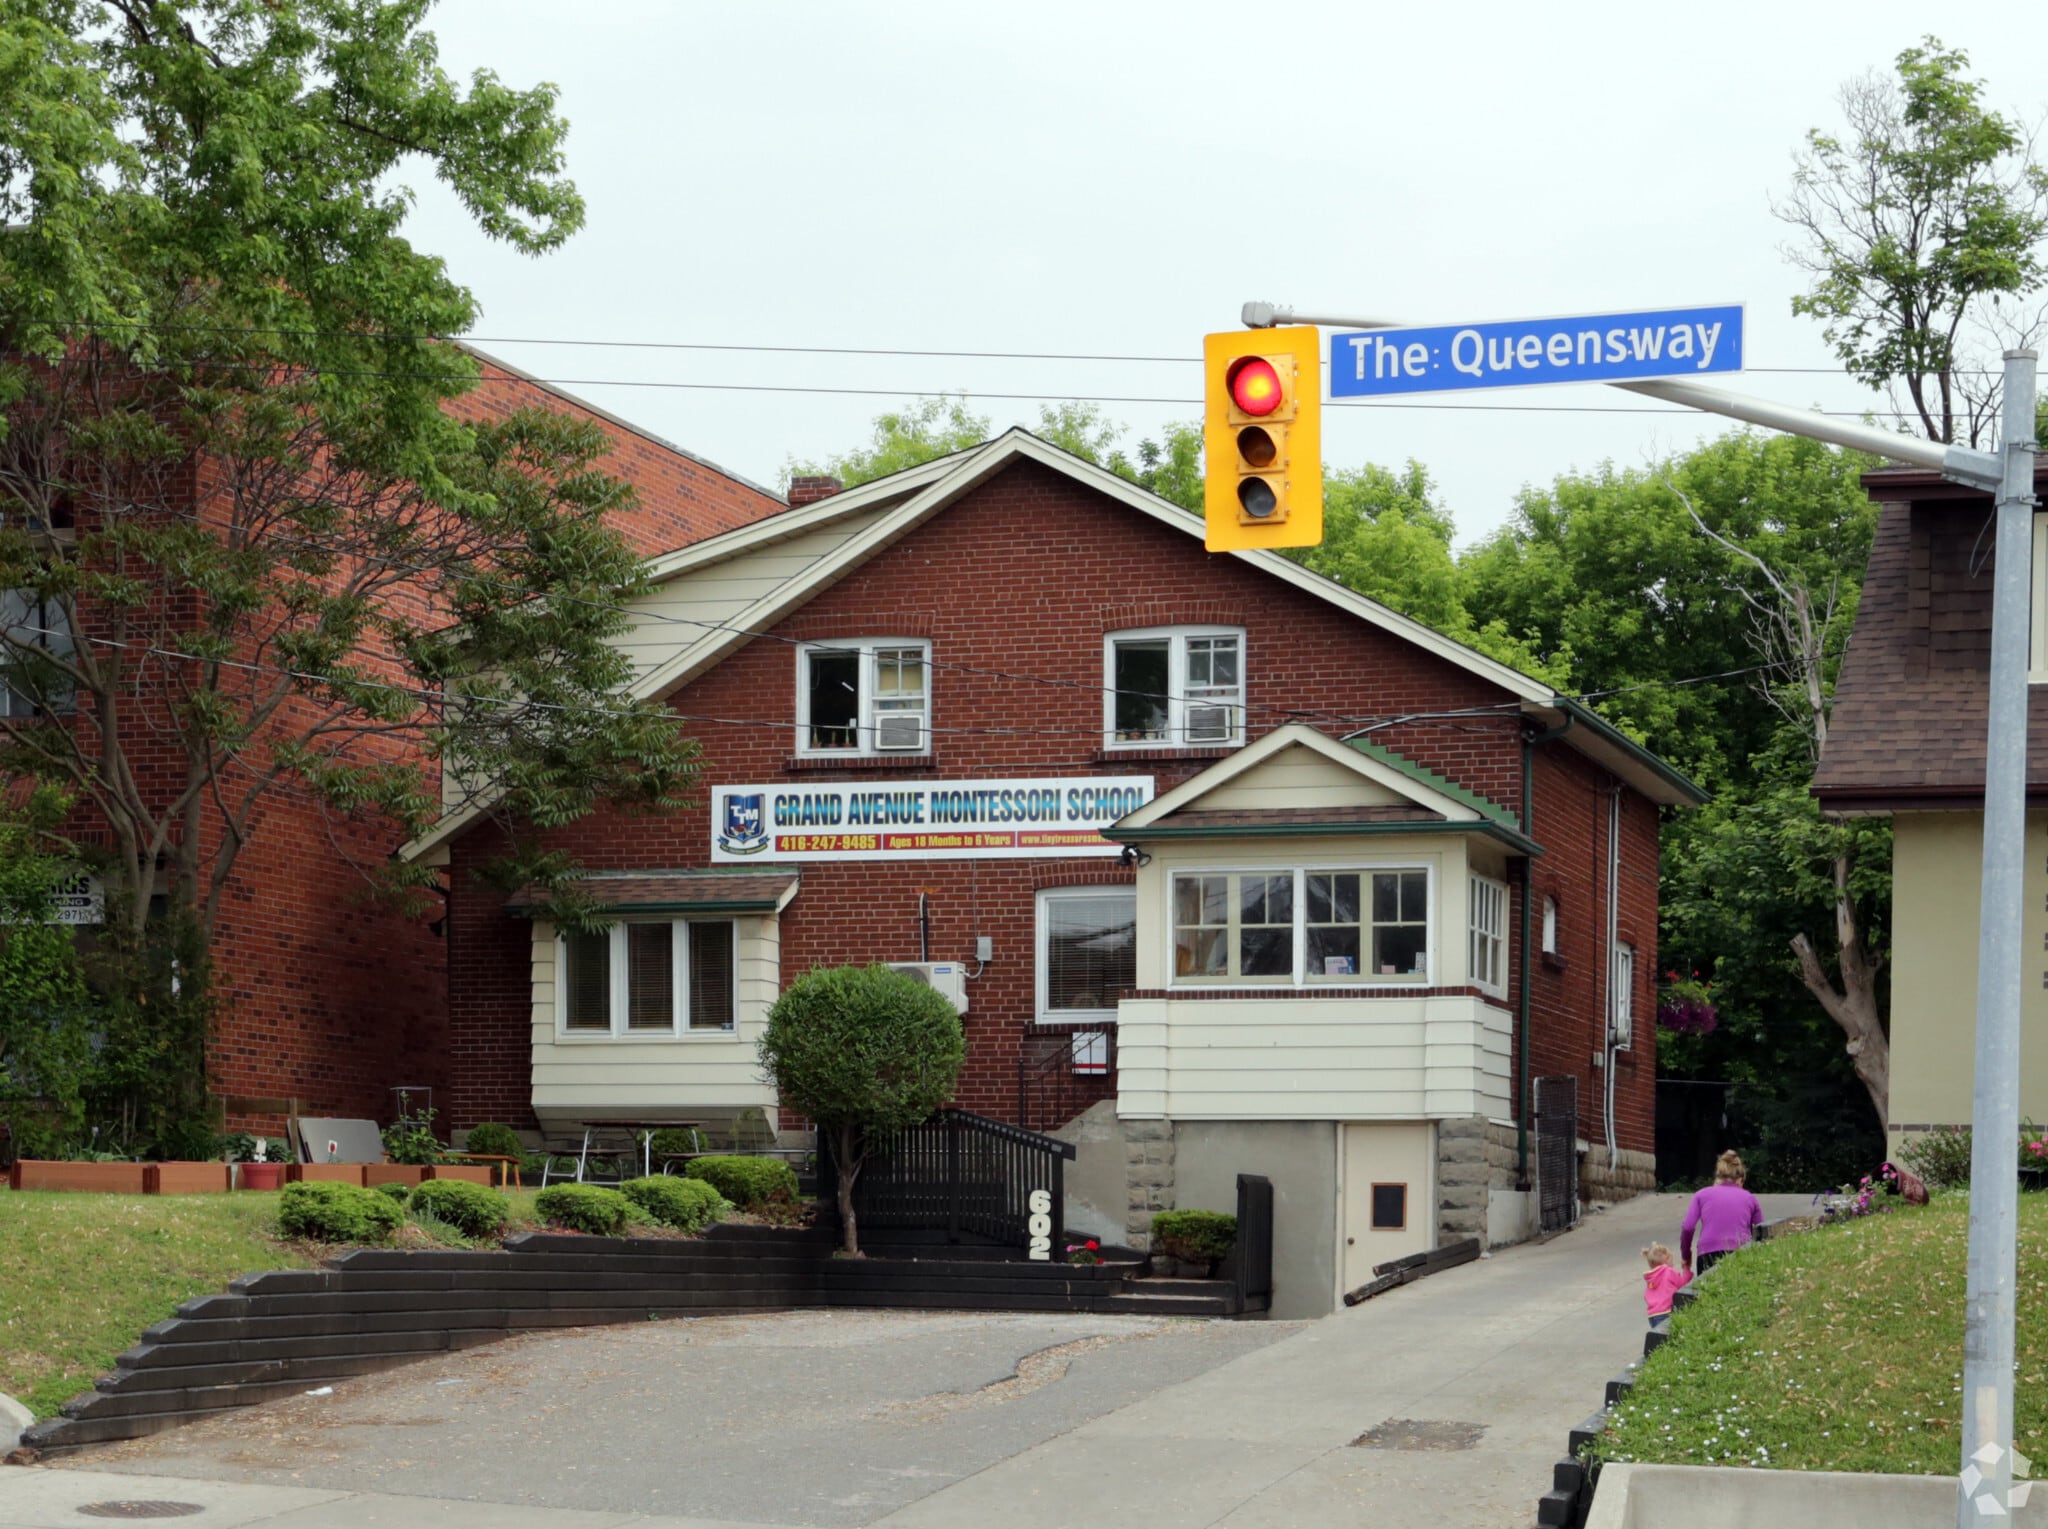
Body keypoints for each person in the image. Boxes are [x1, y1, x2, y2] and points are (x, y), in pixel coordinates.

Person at [1680, 1149, 1763, 1276]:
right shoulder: (1749, 1198)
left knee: (1708, 1294)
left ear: (1717, 1177)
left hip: (1707, 1254)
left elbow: (1688, 1227)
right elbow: (1761, 1231)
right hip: (1741, 1252)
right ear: (1740, 1179)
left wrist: (1686, 1256)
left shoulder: (1701, 1195)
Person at [1642, 1242, 1691, 1329]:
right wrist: (1686, 1269)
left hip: (1652, 1315)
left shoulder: (1650, 1278)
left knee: (1661, 1340)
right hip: (1666, 1312)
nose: (1673, 1263)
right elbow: (1682, 1284)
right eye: (1671, 1259)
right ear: (1666, 1259)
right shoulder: (1668, 1271)